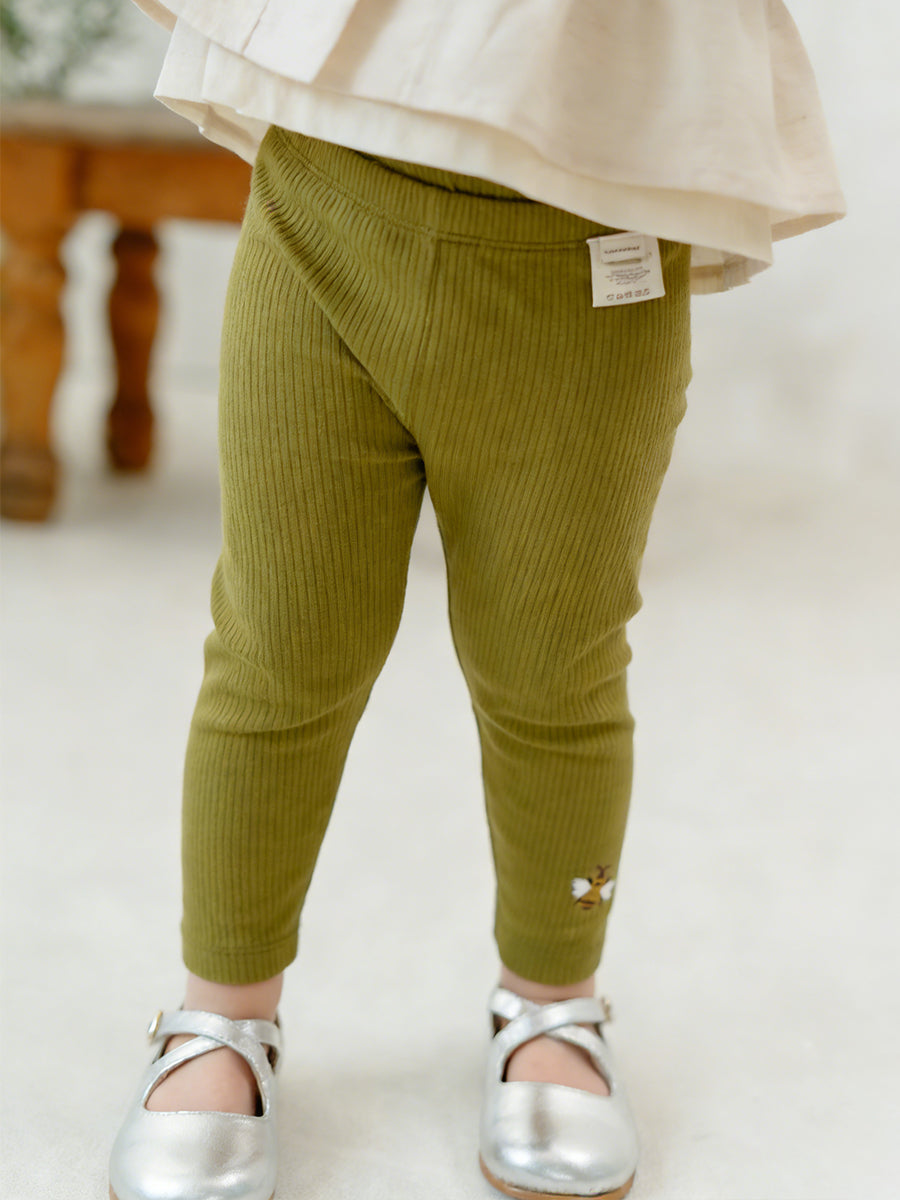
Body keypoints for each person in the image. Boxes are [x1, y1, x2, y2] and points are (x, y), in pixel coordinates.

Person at [108, 3, 845, 1199]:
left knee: (553, 666)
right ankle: (221, 1013)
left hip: (593, 239)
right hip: (329, 195)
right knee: (279, 647)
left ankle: (554, 998)